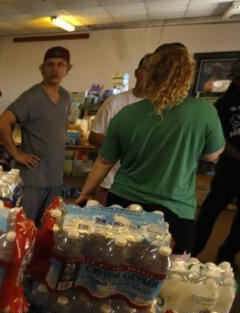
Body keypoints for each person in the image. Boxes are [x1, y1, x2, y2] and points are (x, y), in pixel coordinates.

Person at [76, 45, 225, 254]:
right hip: (174, 210)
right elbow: (212, 154)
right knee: (167, 275)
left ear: (151, 73)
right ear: (189, 75)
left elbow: (104, 161)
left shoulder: (127, 113)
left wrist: (85, 193)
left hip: (123, 205)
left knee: (115, 266)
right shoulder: (204, 112)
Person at [0, 46, 72, 223]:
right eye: (50, 64)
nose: (55, 69)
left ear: (68, 69)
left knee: (48, 228)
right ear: (42, 68)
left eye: (60, 64)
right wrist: (16, 154)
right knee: (24, 226)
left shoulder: (66, 97)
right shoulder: (31, 97)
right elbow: (2, 123)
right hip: (32, 178)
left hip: (55, 177)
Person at [193, 59, 240, 264]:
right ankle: (191, 252)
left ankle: (226, 257)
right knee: (209, 213)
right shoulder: (224, 103)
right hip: (229, 169)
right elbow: (219, 139)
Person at [88, 54, 151, 205]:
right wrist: (123, 146)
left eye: (155, 70)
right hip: (111, 182)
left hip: (145, 187)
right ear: (137, 72)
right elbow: (94, 137)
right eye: (146, 69)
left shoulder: (161, 106)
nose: (150, 74)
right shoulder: (115, 103)